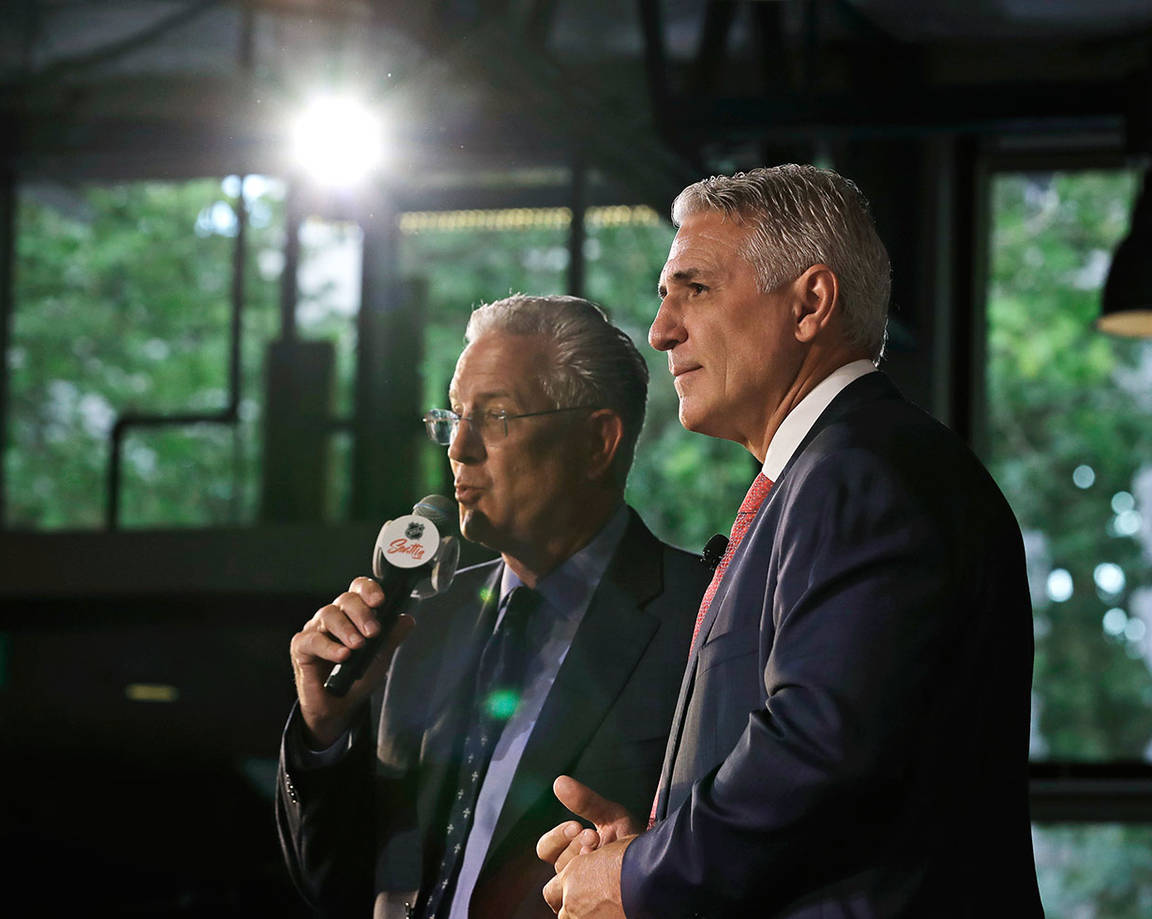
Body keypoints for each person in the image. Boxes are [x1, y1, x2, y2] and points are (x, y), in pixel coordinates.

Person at [538, 166, 1044, 917]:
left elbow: (818, 752)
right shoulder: (841, 472)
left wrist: (638, 876)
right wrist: (654, 847)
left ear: (809, 303)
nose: (661, 330)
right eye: (662, 296)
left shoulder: (861, 474)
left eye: (695, 289)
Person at [276, 294, 711, 919]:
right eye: (454, 418)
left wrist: (648, 877)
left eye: (497, 417)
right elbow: (341, 883)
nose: (460, 449)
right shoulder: (420, 619)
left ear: (596, 441)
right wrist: (324, 733)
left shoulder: (701, 616)